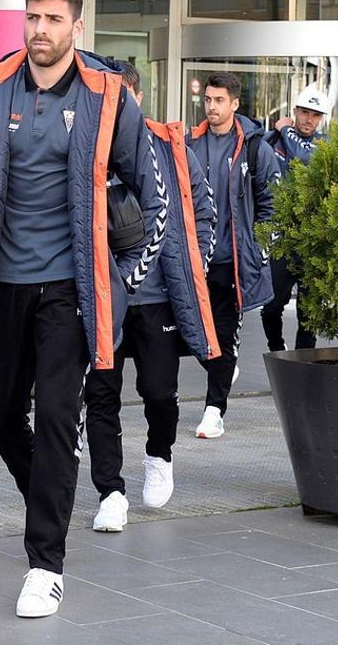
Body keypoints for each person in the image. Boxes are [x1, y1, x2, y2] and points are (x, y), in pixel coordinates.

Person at [0, 0, 167, 618]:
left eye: (52, 19)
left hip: (71, 288)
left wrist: (122, 282)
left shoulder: (108, 96)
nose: (39, 30)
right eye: (32, 18)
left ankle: (46, 561)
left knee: (57, 420)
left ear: (77, 26)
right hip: (1, 286)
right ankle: (50, 488)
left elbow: (151, 197)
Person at [87, 61, 218, 533]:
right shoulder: (87, 145)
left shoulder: (169, 147)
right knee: (100, 395)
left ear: (135, 98)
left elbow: (203, 212)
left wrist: (196, 262)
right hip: (104, 297)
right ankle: (111, 491)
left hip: (159, 297)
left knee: (159, 393)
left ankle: (159, 455)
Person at [186, 72, 280, 439]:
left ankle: (214, 410)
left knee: (224, 335)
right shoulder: (190, 143)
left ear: (235, 103)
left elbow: (272, 202)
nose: (211, 107)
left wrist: (260, 247)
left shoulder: (255, 148)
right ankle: (224, 367)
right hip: (195, 260)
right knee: (192, 333)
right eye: (208, 99)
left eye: (219, 100)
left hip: (233, 262)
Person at [260, 86, 330, 352]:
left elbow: (302, 157)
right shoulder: (273, 140)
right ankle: (277, 349)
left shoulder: (324, 144)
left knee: (308, 313)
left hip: (312, 241)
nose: (308, 120)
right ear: (295, 111)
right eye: (304, 112)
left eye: (315, 115)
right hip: (281, 240)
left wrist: (285, 129)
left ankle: (303, 365)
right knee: (271, 307)